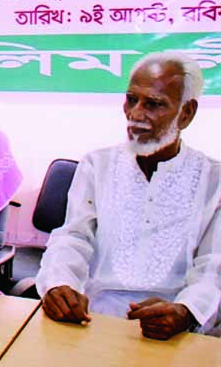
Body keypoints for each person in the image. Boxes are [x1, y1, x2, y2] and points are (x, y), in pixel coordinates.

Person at [36, 52, 221, 340]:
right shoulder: (98, 164)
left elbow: (213, 266)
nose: (136, 115)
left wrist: (185, 311)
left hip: (175, 330)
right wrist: (60, 284)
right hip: (92, 320)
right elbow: (73, 236)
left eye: (154, 104)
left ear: (186, 112)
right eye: (131, 99)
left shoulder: (214, 180)